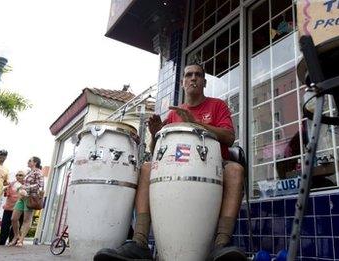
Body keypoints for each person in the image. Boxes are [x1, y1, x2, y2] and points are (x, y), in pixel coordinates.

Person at [95, 64, 246, 261]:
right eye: (188, 75)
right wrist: (155, 134)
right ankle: (140, 241)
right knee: (148, 167)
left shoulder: (217, 105)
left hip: (214, 165)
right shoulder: (175, 113)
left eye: (198, 75)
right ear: (182, 82)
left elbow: (229, 137)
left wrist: (195, 123)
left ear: (204, 82)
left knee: (235, 169)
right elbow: (157, 152)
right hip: (177, 164)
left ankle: (221, 245)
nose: (193, 78)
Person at [8, 157, 44, 247]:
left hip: (30, 198)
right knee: (14, 218)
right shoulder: (29, 172)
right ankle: (16, 236)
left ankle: (21, 240)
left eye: (30, 161)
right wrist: (20, 187)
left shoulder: (38, 172)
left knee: (26, 220)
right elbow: (25, 183)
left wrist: (26, 188)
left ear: (35, 163)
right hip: (22, 197)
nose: (28, 162)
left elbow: (40, 185)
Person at [0, 171, 25, 245]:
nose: (18, 176)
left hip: (19, 208)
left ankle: (12, 240)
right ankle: (1, 240)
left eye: (20, 175)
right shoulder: (11, 184)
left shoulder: (26, 185)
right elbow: (6, 194)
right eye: (17, 175)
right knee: (5, 225)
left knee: (16, 226)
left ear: (24, 177)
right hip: (9, 207)